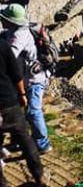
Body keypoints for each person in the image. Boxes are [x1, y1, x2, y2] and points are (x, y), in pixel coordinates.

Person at [1, 4, 51, 155]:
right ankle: (19, 139)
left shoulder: (19, 37)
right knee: (18, 111)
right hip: (23, 79)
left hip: (34, 80)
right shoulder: (12, 31)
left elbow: (8, 57)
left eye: (3, 18)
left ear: (11, 21)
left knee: (33, 112)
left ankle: (43, 144)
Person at [0, 39, 47, 187]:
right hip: (8, 100)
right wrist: (22, 94)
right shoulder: (2, 44)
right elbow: (16, 74)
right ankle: (40, 176)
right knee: (24, 138)